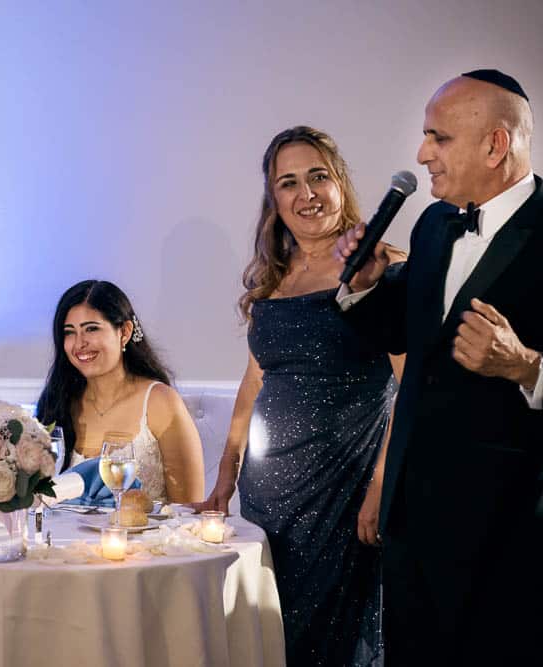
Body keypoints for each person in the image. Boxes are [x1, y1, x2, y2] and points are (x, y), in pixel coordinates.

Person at [334, 69, 543, 665]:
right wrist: (369, 287)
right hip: (413, 523)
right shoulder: (431, 224)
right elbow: (409, 340)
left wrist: (525, 365)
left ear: (495, 144)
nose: (422, 155)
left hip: (509, 533)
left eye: (438, 138)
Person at [193, 126, 406, 666]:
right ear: (275, 200)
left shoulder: (383, 266)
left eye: (318, 177)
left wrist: (382, 485)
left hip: (344, 492)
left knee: (329, 642)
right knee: (272, 635)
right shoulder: (275, 276)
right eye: (288, 183)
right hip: (268, 496)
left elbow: (411, 386)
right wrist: (225, 475)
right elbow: (254, 382)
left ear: (341, 184)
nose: (305, 194)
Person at [35, 280, 204, 503]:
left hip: (146, 537)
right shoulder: (57, 402)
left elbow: (188, 509)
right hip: (63, 538)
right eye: (69, 332)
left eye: (91, 329)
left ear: (124, 332)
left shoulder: (160, 403)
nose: (79, 344)